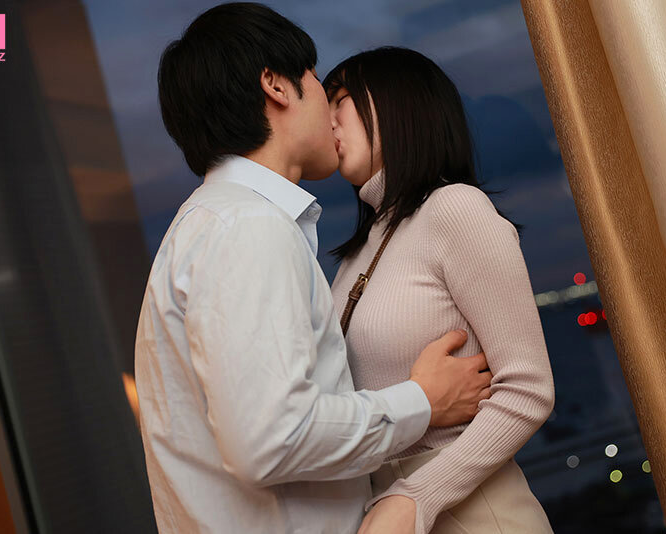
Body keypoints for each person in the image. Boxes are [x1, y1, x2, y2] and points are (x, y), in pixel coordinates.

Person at [134, 4, 493, 533]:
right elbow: (272, 439)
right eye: (318, 80)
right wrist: (423, 401)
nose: (330, 107)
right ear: (277, 86)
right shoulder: (247, 227)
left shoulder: (210, 226)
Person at [325, 47, 556, 534]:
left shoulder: (455, 208)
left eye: (340, 100)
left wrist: (416, 496)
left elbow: (529, 389)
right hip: (387, 508)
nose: (328, 120)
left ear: (397, 103)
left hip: (471, 511)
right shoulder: (357, 252)